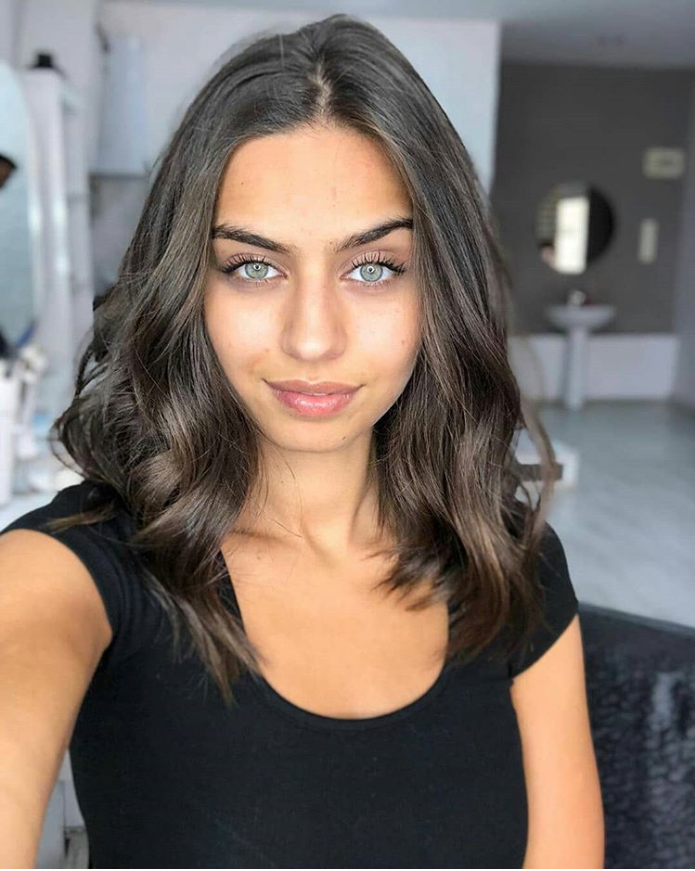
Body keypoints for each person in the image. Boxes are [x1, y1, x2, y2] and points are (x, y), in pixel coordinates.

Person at [0, 14, 604, 869]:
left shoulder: (509, 563)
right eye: (254, 266)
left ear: (439, 288)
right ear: (189, 288)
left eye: (372, 267)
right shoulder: (76, 573)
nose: (312, 337)